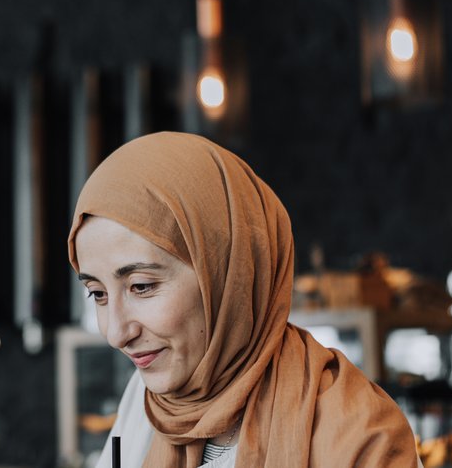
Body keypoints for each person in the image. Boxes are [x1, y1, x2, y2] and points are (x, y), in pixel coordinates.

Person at [67, 132, 420, 468]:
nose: (115, 333)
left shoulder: (361, 438)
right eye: (97, 294)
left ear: (229, 273)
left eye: (141, 286)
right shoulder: (145, 405)